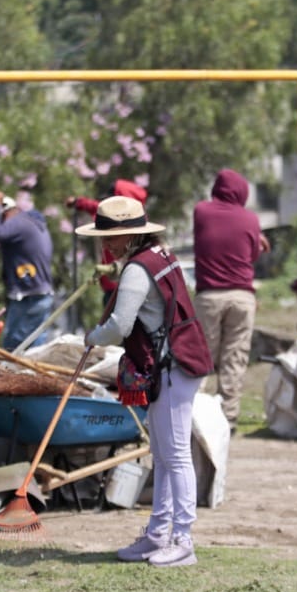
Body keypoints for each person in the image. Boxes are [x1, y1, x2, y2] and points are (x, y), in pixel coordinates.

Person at [79, 195, 214, 568]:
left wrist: (93, 338)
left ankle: (183, 539)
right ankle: (158, 534)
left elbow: (120, 327)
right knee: (164, 454)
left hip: (173, 368)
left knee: (174, 456)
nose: (104, 245)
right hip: (175, 365)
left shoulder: (138, 270)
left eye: (110, 238)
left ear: (130, 235)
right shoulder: (160, 256)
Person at [191, 169, 269, 428]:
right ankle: (228, 417)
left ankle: (194, 413)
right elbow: (250, 256)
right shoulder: (251, 219)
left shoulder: (201, 211)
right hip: (242, 297)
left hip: (210, 296)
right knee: (234, 357)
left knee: (201, 356)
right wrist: (258, 242)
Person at [0, 190, 55, 350]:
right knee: (34, 349)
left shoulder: (19, 222)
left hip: (28, 296)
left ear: (7, 213)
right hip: (40, 293)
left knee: (13, 348)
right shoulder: (32, 224)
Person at [69, 179, 150, 305]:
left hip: (118, 285)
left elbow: (94, 206)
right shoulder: (141, 221)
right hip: (124, 285)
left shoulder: (117, 217)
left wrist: (76, 202)